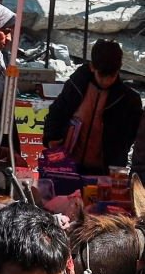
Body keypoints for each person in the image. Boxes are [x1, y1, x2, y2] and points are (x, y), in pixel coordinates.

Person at [43, 39, 142, 175]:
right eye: (102, 75)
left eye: (111, 76)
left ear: (119, 69)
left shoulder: (129, 100)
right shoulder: (76, 85)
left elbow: (130, 138)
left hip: (104, 173)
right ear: (92, 67)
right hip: (67, 166)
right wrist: (52, 138)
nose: (106, 81)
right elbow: (56, 113)